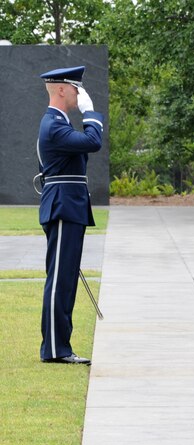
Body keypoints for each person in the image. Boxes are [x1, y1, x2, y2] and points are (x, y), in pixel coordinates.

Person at [36, 66, 104, 365]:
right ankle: (55, 349)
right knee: (60, 280)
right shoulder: (54, 125)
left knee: (65, 279)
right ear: (62, 89)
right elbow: (93, 141)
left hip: (68, 205)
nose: (81, 95)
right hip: (64, 206)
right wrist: (92, 114)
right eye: (77, 89)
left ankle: (59, 346)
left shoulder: (58, 124)